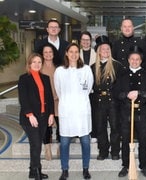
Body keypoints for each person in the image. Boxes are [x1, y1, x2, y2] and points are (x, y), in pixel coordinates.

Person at [54, 43, 93, 180]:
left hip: (82, 110)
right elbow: (59, 90)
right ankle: (64, 170)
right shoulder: (59, 71)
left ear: (79, 53)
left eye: (76, 51)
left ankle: (86, 169)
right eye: (71, 51)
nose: (74, 54)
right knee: (64, 142)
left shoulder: (86, 69)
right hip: (67, 110)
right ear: (66, 53)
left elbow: (88, 88)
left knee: (85, 142)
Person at [115, 45, 146, 178]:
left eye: (137, 59)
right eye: (132, 59)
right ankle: (125, 166)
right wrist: (126, 94)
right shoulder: (122, 74)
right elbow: (116, 92)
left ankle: (144, 166)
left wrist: (139, 93)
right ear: (128, 59)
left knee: (143, 140)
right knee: (126, 139)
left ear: (141, 61)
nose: (135, 61)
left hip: (141, 112)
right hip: (126, 112)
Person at [18, 53, 54, 180]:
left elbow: (49, 98)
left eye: (39, 62)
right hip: (30, 118)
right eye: (34, 62)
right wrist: (30, 115)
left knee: (36, 144)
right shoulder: (24, 78)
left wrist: (51, 114)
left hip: (44, 117)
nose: (37, 64)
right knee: (37, 144)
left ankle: (32, 171)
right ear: (29, 64)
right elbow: (23, 99)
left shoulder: (45, 78)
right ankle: (37, 172)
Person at [91, 35, 125, 161]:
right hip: (99, 101)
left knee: (115, 127)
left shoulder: (117, 66)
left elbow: (122, 85)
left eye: (107, 49)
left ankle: (115, 151)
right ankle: (103, 150)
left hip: (113, 101)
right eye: (103, 49)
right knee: (100, 127)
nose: (105, 51)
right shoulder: (92, 67)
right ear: (98, 51)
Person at [38, 43, 60, 160]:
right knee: (47, 126)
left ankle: (60, 147)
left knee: (61, 125)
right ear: (42, 54)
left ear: (53, 54)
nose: (48, 54)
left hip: (58, 100)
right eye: (45, 52)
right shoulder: (39, 67)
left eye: (50, 52)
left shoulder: (59, 67)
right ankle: (47, 149)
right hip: (45, 102)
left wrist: (58, 95)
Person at [79, 31, 97, 144]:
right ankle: (80, 134)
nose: (85, 42)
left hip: (93, 89)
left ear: (91, 41)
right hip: (79, 90)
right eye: (83, 40)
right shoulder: (76, 54)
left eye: (87, 40)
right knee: (81, 113)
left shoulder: (96, 53)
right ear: (80, 41)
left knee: (93, 112)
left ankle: (94, 133)